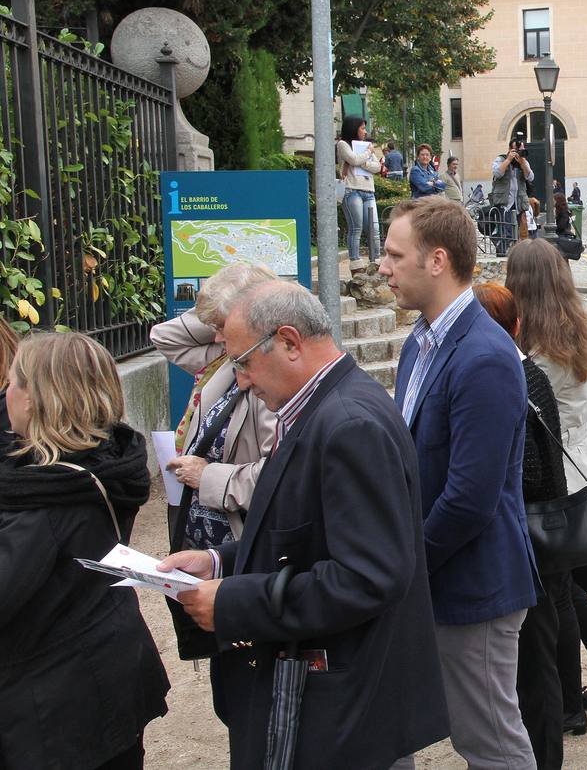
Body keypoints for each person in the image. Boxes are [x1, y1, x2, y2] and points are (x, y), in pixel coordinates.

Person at [159, 280, 450, 768]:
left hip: (336, 704)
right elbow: (304, 532)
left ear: (290, 342)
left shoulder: (349, 423)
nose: (242, 381)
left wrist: (234, 601)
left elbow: (367, 577)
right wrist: (218, 561)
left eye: (244, 362)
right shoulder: (320, 407)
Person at [379, 199, 538, 767]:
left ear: (438, 260)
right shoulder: (420, 343)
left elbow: (470, 499)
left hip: (474, 587)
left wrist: (406, 564)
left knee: (490, 742)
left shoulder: (485, 355)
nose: (382, 266)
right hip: (435, 576)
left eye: (395, 255)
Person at [0, 332, 170, 769]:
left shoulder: (46, 497)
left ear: (35, 400)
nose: (6, 392)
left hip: (58, 708)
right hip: (103, 670)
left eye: (14, 381)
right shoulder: (103, 457)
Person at [505, 241, 587, 725]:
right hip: (582, 456)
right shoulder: (580, 328)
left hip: (554, 465)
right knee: (562, 582)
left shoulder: (535, 350)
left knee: (554, 588)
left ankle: (569, 704)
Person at [474, 282, 568, 768]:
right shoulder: (527, 373)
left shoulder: (514, 378)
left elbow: (533, 469)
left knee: (533, 666)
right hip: (537, 535)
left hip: (528, 539)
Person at [150, 262, 278, 570]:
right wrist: (221, 317)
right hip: (206, 544)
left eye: (222, 327)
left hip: (240, 550)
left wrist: (208, 477)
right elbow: (164, 337)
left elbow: (282, 475)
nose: (218, 338)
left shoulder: (273, 384)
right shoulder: (226, 359)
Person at [337, 115, 383, 266]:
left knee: (374, 228)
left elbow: (377, 167)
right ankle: (355, 262)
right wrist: (366, 155)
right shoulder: (343, 144)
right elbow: (353, 159)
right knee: (356, 227)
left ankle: (375, 260)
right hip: (352, 189)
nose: (365, 131)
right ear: (353, 128)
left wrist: (360, 162)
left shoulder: (366, 146)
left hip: (368, 190)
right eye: (362, 128)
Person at [491, 137, 535, 257]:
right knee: (505, 230)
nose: (521, 152)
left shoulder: (523, 162)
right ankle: (503, 252)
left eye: (522, 149)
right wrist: (508, 160)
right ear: (511, 149)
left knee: (520, 231)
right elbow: (497, 173)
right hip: (505, 202)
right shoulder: (501, 159)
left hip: (519, 201)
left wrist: (522, 163)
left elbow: (530, 177)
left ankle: (516, 254)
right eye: (518, 150)